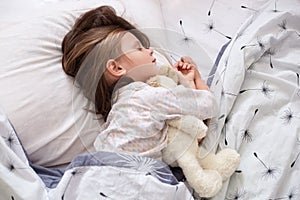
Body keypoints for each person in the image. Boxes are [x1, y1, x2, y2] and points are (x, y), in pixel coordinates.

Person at [62, 6, 215, 160]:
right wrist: (197, 78)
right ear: (116, 67)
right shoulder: (150, 98)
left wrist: (184, 82)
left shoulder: (118, 115)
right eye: (138, 48)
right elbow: (207, 104)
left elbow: (183, 139)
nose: (150, 51)